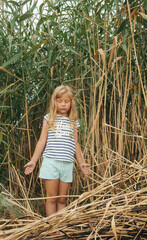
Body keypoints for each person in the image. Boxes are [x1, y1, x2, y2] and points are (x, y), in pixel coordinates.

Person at [24, 85, 91, 216]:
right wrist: (33, 161)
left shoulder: (74, 121)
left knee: (61, 199)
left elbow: (76, 144)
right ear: (54, 102)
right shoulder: (49, 118)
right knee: (52, 198)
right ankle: (52, 228)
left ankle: (61, 227)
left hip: (67, 164)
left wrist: (81, 163)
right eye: (59, 101)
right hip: (51, 163)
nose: (63, 104)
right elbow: (42, 141)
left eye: (66, 101)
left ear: (71, 103)